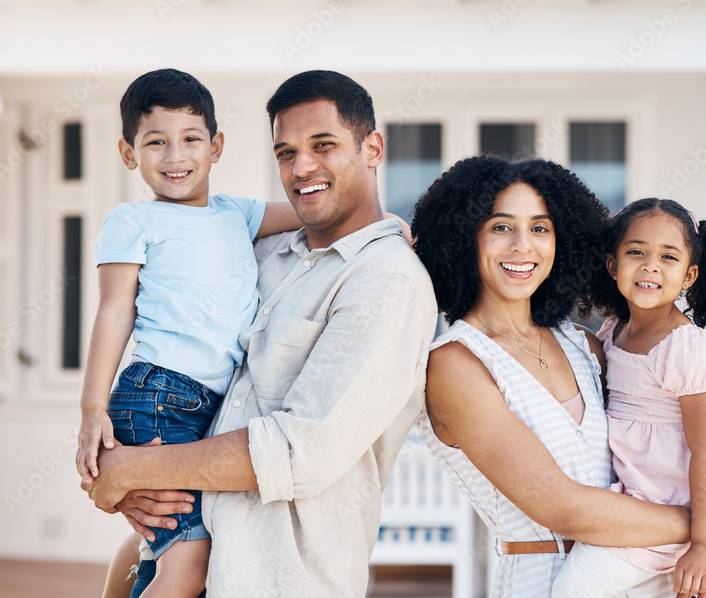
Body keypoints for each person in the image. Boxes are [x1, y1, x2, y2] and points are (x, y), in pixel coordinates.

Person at [83, 70, 438, 597]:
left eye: (323, 145)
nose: (303, 167)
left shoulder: (387, 280)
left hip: (274, 579)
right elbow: (128, 318)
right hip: (197, 551)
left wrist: (129, 468)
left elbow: (299, 452)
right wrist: (126, 480)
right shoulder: (267, 253)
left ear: (372, 148)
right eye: (286, 152)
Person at [410, 156, 706, 598]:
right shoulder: (457, 364)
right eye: (501, 227)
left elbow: (677, 441)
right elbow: (561, 507)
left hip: (648, 577)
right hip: (545, 582)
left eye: (541, 228)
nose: (522, 246)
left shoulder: (586, 345)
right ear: (465, 237)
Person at [74, 68, 307, 598]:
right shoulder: (132, 221)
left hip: (211, 406)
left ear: (216, 146)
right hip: (159, 394)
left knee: (164, 551)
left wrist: (393, 225)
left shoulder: (237, 213)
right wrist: (91, 410)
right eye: (156, 142)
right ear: (129, 153)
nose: (175, 156)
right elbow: (114, 313)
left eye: (190, 139)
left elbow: (313, 214)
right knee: (190, 562)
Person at [553, 197, 706, 597]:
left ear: (689, 276)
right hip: (631, 503)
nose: (650, 265)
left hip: (666, 511)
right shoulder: (612, 332)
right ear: (612, 264)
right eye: (636, 252)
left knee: (573, 590)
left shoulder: (683, 347)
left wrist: (704, 545)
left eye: (668, 257)